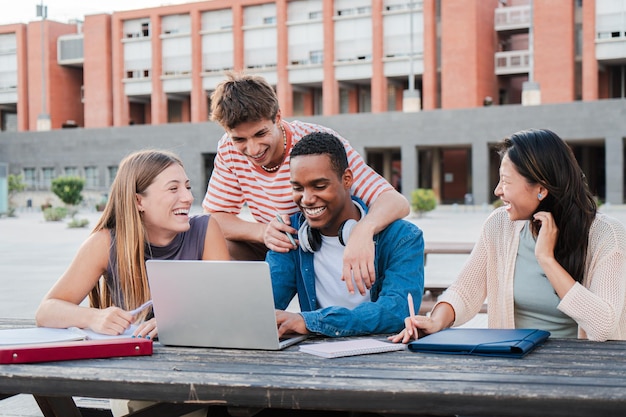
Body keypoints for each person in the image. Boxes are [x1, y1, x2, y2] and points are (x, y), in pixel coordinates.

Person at [391, 128, 626, 344]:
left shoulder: (606, 235)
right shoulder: (499, 224)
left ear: (541, 189)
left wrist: (547, 260)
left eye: (506, 181)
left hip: (585, 371)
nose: (497, 191)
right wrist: (435, 321)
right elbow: (465, 289)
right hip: (514, 361)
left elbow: (603, 326)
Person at [203, 72, 410, 296]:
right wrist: (262, 231)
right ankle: (232, 315)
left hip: (330, 246)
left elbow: (396, 202)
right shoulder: (228, 149)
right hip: (282, 248)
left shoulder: (318, 141)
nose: (252, 150)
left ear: (278, 117)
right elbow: (215, 218)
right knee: (211, 244)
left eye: (260, 134)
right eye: (240, 139)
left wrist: (362, 231)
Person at [35, 149, 229, 339]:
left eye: (187, 187)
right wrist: (94, 317)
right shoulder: (105, 243)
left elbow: (226, 303)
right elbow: (46, 311)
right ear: (138, 201)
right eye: (173, 189)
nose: (188, 198)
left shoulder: (206, 230)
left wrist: (179, 321)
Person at [267, 131, 424, 337]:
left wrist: (311, 322)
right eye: (297, 187)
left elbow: (395, 311)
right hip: (314, 357)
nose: (306, 199)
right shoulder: (291, 234)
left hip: (383, 355)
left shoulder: (403, 237)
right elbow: (263, 305)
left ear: (347, 179)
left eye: (319, 186)